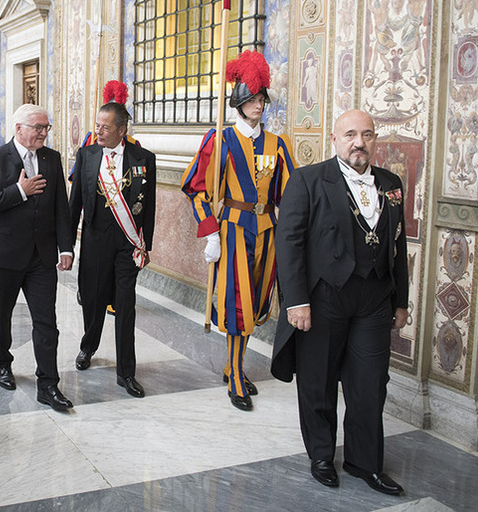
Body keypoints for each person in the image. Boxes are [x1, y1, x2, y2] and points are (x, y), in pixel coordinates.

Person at [271, 109, 409, 496]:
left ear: (375, 140)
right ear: (335, 139)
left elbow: (397, 246)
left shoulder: (391, 184)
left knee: (370, 384)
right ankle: (320, 454)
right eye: (350, 134)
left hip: (374, 301)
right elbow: (290, 243)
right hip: (323, 298)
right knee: (318, 381)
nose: (358, 142)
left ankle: (365, 462)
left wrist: (401, 301)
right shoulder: (309, 180)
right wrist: (295, 301)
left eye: (366, 135)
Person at [179, 50, 295, 411]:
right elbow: (194, 188)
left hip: (267, 231)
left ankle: (234, 365)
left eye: (262, 99)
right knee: (238, 305)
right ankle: (235, 373)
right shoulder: (221, 139)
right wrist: (210, 231)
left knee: (258, 302)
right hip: (232, 229)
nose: (259, 106)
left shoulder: (279, 144)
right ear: (239, 102)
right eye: (252, 99)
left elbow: (290, 195)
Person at [0, 104, 75, 411]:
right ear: (19, 128)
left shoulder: (51, 158)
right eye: (38, 128)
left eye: (47, 128)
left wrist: (66, 247)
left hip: (41, 257)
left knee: (46, 321)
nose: (44, 133)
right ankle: (2, 362)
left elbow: (61, 206)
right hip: (3, 253)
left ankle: (48, 384)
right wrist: (19, 190)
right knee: (0, 314)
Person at [68, 91, 156, 398]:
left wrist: (146, 246)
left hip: (127, 245)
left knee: (126, 307)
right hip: (94, 242)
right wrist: (67, 246)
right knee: (92, 302)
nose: (99, 131)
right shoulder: (87, 156)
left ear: (122, 130)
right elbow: (74, 202)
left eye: (105, 127)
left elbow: (151, 207)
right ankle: (88, 347)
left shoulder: (144, 159)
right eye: (97, 125)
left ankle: (126, 372)